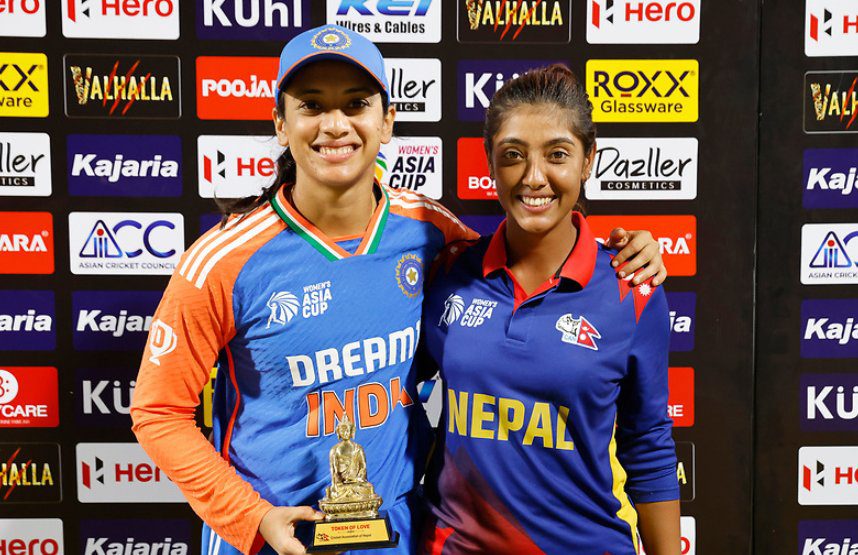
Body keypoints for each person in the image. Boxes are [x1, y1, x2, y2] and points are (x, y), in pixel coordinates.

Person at [131, 25, 669, 555]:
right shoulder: (222, 261)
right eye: (312, 105)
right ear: (280, 123)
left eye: (356, 103)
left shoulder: (430, 232)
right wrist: (250, 517)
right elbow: (158, 412)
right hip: (272, 540)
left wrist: (627, 250)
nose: (335, 125)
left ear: (386, 122)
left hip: (398, 535)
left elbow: (531, 250)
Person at [420, 65, 681, 555]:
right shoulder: (447, 272)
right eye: (513, 156)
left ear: (588, 162)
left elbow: (647, 445)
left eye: (557, 155)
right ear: (491, 164)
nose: (534, 177)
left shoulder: (634, 287)